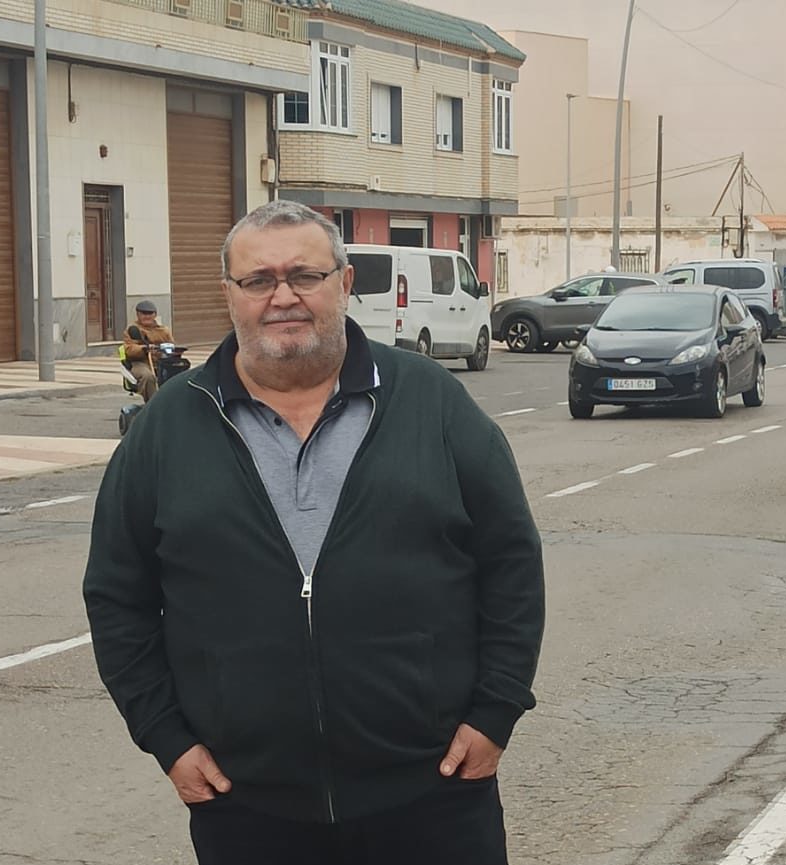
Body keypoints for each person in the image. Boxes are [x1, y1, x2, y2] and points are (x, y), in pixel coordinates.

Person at [83, 200, 546, 865]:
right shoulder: (169, 428)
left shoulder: (431, 401)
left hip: (435, 792)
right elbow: (116, 594)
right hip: (248, 807)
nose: (283, 296)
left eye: (305, 275)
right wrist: (166, 737)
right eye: (259, 280)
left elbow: (511, 562)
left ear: (345, 284)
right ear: (230, 295)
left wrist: (497, 709)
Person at [121, 300, 174, 402]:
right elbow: (128, 349)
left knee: (180, 375)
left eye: (150, 313)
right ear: (138, 314)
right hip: (140, 363)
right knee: (148, 376)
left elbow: (171, 346)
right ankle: (152, 404)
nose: (147, 316)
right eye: (144, 314)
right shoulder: (133, 330)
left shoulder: (164, 330)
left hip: (162, 362)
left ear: (155, 315)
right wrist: (143, 349)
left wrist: (170, 351)